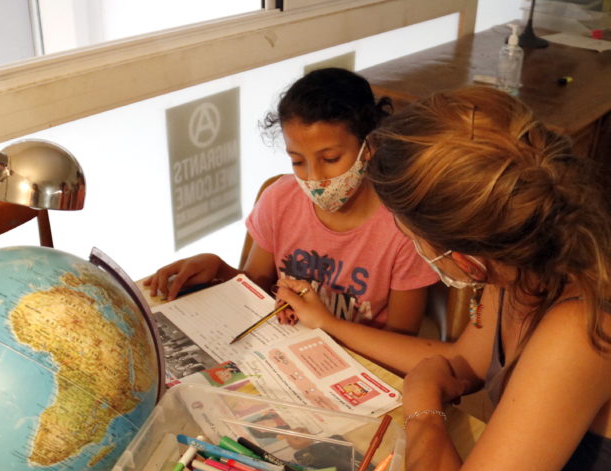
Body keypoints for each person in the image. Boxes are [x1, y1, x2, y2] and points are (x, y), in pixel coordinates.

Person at [276, 86, 611, 471]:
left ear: (461, 257)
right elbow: (462, 361)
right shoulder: (522, 264)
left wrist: (420, 400)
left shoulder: (582, 330)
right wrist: (327, 324)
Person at [144, 68, 438, 334]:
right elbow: (256, 288)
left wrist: (328, 324)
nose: (315, 178)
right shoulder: (281, 200)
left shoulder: (404, 228)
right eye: (297, 161)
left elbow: (402, 337)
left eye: (331, 159)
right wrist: (219, 269)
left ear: (369, 145)